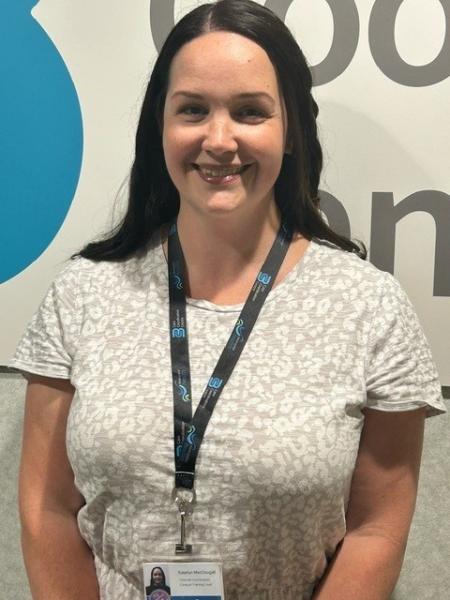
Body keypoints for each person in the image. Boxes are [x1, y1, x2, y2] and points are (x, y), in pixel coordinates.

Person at [11, 1, 446, 599]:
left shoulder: (369, 307)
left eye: (249, 112)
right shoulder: (83, 293)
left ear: (290, 131)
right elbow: (47, 507)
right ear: (159, 126)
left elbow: (378, 528)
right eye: (192, 110)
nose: (220, 140)